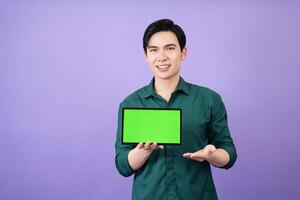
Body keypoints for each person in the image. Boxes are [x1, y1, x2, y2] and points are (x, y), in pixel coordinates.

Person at [115, 18, 237, 200]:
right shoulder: (131, 103)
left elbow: (230, 154)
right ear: (146, 56)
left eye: (170, 48)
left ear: (183, 52)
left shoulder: (209, 99)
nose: (162, 57)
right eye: (154, 50)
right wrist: (142, 152)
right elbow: (123, 166)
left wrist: (211, 155)